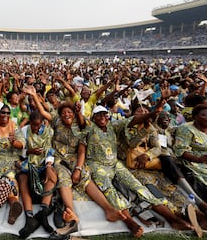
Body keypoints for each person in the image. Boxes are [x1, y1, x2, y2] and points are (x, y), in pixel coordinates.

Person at [23, 86, 125, 238]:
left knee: (84, 177)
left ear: (74, 113)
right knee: (63, 178)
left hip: (74, 158)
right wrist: (34, 96)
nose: (66, 114)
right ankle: (72, 215)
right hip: (58, 158)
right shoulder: (57, 122)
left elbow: (82, 149)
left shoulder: (81, 126)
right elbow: (44, 112)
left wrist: (78, 168)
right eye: (63, 112)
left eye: (69, 112)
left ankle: (108, 209)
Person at [85, 105, 194, 238]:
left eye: (104, 114)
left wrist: (147, 153)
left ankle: (173, 218)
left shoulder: (114, 126)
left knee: (139, 187)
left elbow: (156, 146)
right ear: (93, 117)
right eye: (98, 115)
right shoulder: (90, 128)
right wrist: (152, 113)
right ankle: (129, 222)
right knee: (109, 190)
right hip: (102, 165)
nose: (102, 117)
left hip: (117, 164)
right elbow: (131, 142)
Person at [17, 111, 58, 238]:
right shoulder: (24, 130)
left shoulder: (47, 131)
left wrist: (49, 166)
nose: (36, 128)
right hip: (28, 162)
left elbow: (50, 150)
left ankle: (43, 212)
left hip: (43, 162)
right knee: (22, 177)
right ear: (30, 122)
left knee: (52, 176)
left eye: (38, 125)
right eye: (34, 125)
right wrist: (29, 151)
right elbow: (19, 149)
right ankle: (29, 217)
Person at [174, 103, 207, 203]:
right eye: (203, 115)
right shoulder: (186, 129)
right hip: (195, 163)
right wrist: (198, 159)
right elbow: (180, 150)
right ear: (195, 117)